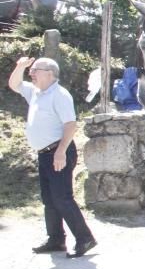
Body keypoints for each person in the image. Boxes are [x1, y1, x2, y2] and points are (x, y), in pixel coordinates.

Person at [7, 56, 98, 257]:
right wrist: (20, 66)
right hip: (44, 154)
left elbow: (70, 124)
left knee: (62, 198)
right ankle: (56, 239)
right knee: (49, 199)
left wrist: (60, 152)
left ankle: (85, 238)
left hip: (58, 151)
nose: (31, 73)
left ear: (50, 73)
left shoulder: (59, 94)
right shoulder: (36, 92)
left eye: (35, 70)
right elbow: (14, 84)